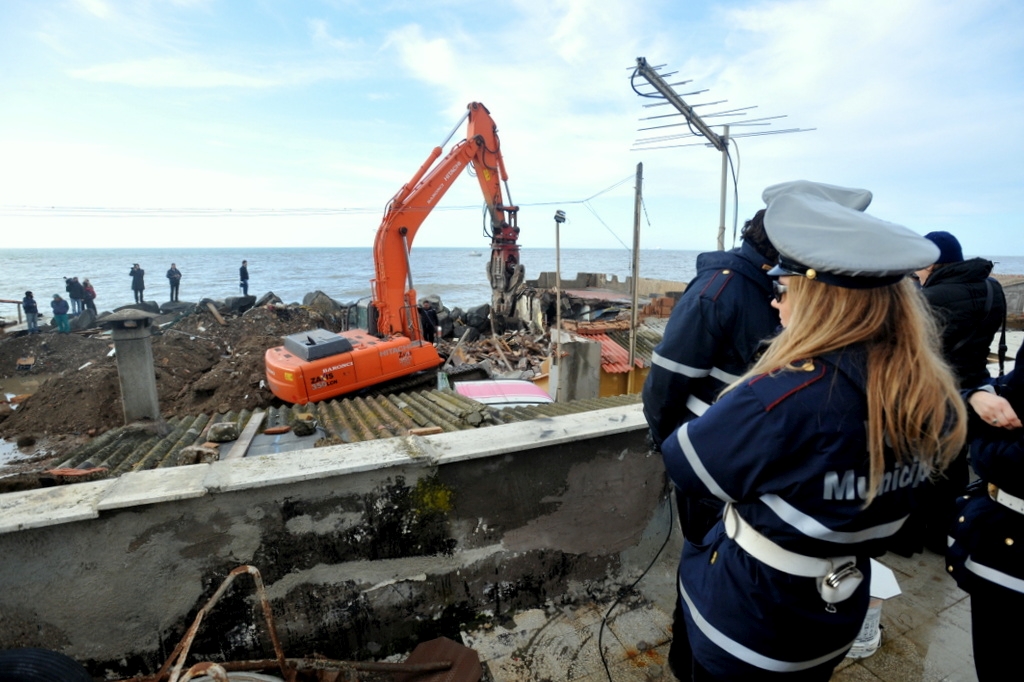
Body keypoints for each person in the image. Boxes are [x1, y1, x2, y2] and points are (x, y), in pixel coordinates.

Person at [660, 181, 966, 680]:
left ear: (820, 301)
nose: (776, 305)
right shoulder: (931, 396)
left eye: (784, 289)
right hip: (833, 616)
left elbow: (685, 463)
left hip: (749, 619)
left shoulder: (780, 400)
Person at [643, 180, 873, 544]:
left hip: (771, 460)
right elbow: (666, 381)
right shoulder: (720, 289)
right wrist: (673, 447)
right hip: (716, 451)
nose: (778, 299)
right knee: (709, 551)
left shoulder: (794, 295)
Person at [911, 230, 1006, 554]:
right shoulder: (993, 288)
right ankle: (949, 531)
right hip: (976, 386)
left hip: (934, 389)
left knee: (928, 467)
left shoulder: (930, 298)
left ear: (932, 263)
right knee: (953, 465)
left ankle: (930, 536)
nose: (917, 272)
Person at [947, 344, 1024, 681]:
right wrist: (977, 395)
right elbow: (1011, 389)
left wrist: (983, 442)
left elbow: (1009, 462)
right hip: (1001, 538)